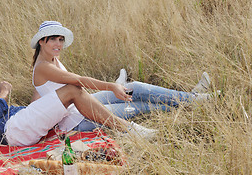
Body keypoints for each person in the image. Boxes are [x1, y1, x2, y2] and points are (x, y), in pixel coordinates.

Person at [30, 21, 211, 133]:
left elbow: (40, 96)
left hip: (85, 102)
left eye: (60, 40)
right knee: (138, 105)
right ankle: (189, 103)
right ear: (41, 41)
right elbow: (79, 80)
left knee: (135, 88)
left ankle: (193, 99)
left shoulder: (52, 58)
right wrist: (111, 86)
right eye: (53, 39)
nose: (58, 44)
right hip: (77, 120)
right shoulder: (43, 67)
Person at [0, 51, 150, 147]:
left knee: (65, 92)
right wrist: (3, 93)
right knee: (72, 90)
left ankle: (117, 90)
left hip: (17, 123)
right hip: (12, 129)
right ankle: (129, 129)